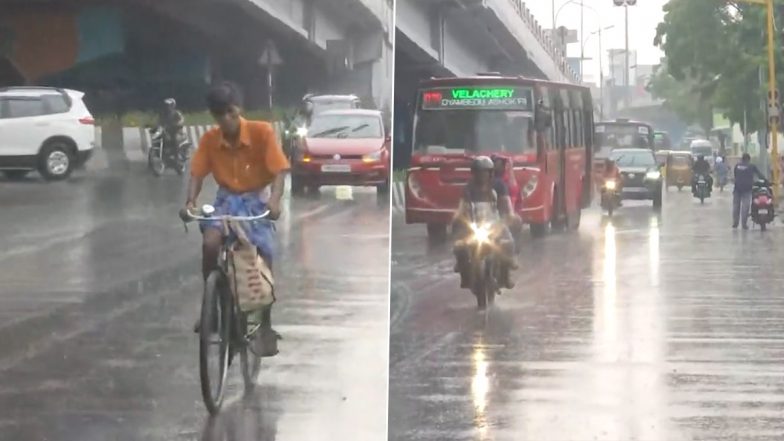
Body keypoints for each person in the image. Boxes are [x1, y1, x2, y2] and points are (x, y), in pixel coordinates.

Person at [186, 82, 290, 355]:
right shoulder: (210, 139)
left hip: (256, 201)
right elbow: (197, 173)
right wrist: (190, 201)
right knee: (210, 242)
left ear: (239, 109)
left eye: (230, 112)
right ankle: (212, 309)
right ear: (214, 116)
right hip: (225, 201)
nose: (227, 119)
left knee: (262, 257)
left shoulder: (262, 132)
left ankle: (263, 321)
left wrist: (275, 201)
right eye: (220, 115)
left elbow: (279, 171)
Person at [452, 156, 517, 290]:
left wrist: (510, 215)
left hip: (495, 225)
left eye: (485, 172)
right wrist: (457, 217)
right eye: (478, 172)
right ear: (474, 173)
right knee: (459, 247)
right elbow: (462, 207)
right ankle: (464, 275)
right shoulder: (468, 188)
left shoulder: (499, 185)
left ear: (490, 173)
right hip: (474, 225)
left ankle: (505, 277)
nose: (482, 176)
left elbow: (507, 204)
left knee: (507, 244)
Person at [733, 153, 766, 229]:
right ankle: (744, 224)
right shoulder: (751, 166)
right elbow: (759, 175)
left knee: (736, 206)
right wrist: (766, 180)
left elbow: (735, 175)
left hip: (737, 188)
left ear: (742, 159)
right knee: (745, 206)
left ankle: (735, 223)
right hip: (747, 188)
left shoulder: (737, 166)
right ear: (749, 159)